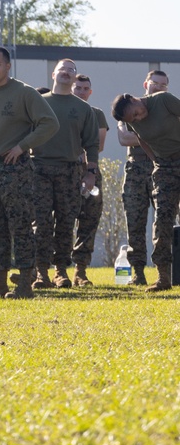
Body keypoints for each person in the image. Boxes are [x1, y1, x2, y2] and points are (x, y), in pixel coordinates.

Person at [0, 46, 59, 299]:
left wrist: (22, 146)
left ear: (7, 66)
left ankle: (26, 283)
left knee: (20, 227)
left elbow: (49, 123)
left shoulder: (24, 93)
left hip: (14, 170)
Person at [31, 59, 99, 289]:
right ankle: (41, 272)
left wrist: (91, 173)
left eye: (72, 70)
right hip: (38, 168)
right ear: (53, 74)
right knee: (40, 223)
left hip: (69, 171)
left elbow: (91, 144)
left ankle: (60, 271)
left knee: (65, 222)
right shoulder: (38, 102)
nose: (67, 73)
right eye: (63, 69)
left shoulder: (82, 108)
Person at [111, 89, 180, 291]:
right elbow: (141, 140)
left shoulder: (163, 100)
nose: (137, 119)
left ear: (133, 99)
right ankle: (163, 277)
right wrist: (156, 161)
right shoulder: (131, 121)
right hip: (165, 167)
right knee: (162, 219)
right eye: (133, 119)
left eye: (136, 113)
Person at [117, 70, 169, 285]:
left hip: (164, 169)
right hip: (136, 170)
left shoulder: (168, 109)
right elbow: (124, 138)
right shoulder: (130, 108)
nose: (158, 87)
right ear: (145, 83)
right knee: (135, 222)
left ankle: (164, 272)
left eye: (162, 85)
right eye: (154, 83)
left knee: (164, 223)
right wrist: (160, 135)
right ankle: (138, 272)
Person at [70, 74, 109, 286]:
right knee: (59, 220)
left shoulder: (96, 114)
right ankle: (52, 270)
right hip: (64, 170)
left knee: (89, 219)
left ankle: (80, 270)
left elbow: (99, 145)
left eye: (85, 88)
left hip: (90, 170)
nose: (81, 92)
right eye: (78, 88)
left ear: (90, 92)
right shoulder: (60, 109)